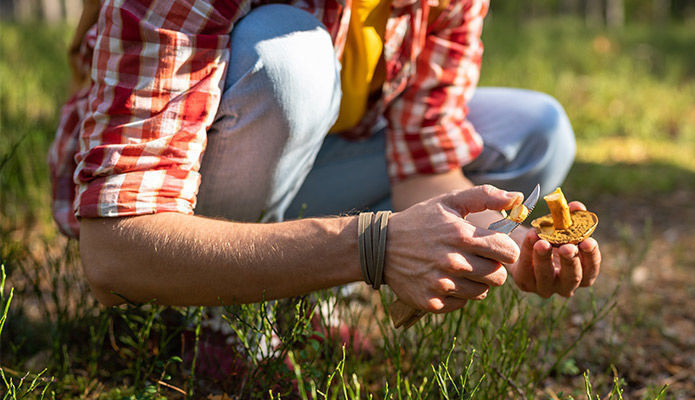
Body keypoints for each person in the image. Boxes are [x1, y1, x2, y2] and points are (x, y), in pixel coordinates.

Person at [49, 0, 602, 316]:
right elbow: (115, 254)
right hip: (176, 207)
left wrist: (506, 245)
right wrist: (373, 246)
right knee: (290, 60)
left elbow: (427, 168)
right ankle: (209, 321)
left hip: (304, 164)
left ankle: (299, 300)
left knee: (535, 131)